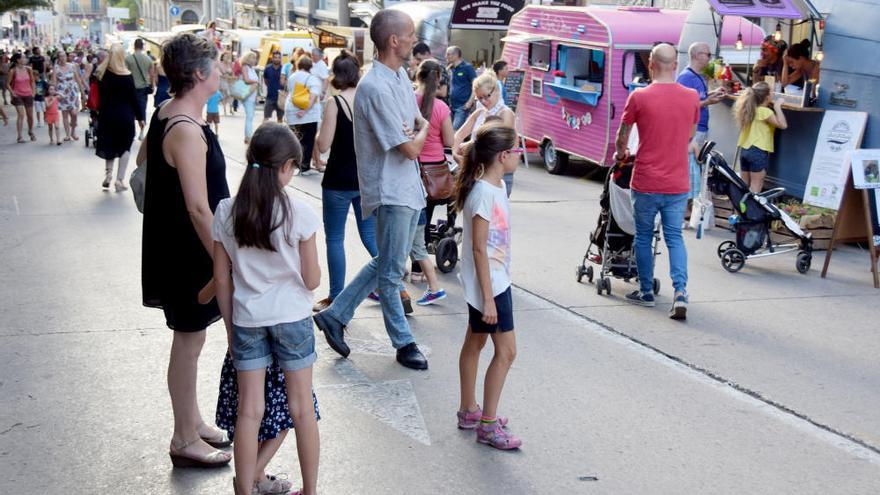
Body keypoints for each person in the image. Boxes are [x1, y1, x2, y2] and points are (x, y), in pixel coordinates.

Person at [312, 9, 432, 370]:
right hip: (391, 189)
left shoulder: (397, 79)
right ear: (394, 40)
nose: (414, 40)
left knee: (387, 261)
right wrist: (421, 131)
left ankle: (335, 315)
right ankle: (403, 341)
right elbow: (411, 143)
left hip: (407, 187)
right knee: (392, 270)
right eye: (410, 34)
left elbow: (416, 124)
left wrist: (418, 129)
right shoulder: (376, 86)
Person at [140, 33, 233, 469]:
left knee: (191, 341)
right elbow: (199, 207)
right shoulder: (185, 130)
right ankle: (182, 438)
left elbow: (144, 164)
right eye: (216, 65)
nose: (223, 70)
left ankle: (192, 421)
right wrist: (220, 256)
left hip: (178, 246)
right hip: (188, 252)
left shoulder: (167, 113)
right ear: (199, 74)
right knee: (189, 343)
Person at [213, 122, 321, 495]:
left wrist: (230, 328)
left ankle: (245, 489)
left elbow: (222, 279)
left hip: (246, 320)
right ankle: (310, 490)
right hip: (291, 319)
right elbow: (311, 281)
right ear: (287, 167)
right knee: (302, 409)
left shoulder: (227, 211)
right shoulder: (300, 213)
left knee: (249, 411)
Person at [613, 43, 699, 320]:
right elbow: (690, 135)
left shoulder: (639, 97)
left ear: (651, 64)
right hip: (677, 181)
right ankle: (681, 291)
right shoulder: (692, 96)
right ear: (675, 65)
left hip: (647, 179)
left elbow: (623, 135)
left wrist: (620, 153)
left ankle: (647, 291)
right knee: (675, 237)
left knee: (643, 236)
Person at [454, 124, 522, 450]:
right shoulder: (483, 193)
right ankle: (488, 424)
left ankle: (469, 410)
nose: (519, 156)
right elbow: (479, 249)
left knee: (476, 342)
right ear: (503, 156)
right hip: (490, 285)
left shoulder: (495, 187)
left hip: (491, 281)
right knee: (507, 352)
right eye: (516, 150)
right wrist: (488, 299)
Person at [311, 51, 378, 312]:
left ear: (336, 75)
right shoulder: (368, 100)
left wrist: (318, 136)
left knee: (335, 239)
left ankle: (336, 296)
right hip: (365, 179)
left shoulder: (335, 103)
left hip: (338, 180)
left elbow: (324, 144)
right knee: (370, 235)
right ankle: (392, 286)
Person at [410, 58, 453, 305]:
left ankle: (413, 268)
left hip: (411, 166)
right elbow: (449, 140)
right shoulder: (441, 108)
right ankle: (419, 270)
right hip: (435, 170)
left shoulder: (407, 101)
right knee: (425, 220)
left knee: (414, 219)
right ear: (438, 80)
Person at [676, 42, 725, 221]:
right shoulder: (686, 77)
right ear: (698, 55)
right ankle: (686, 207)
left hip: (700, 128)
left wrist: (711, 95)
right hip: (693, 129)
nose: (710, 58)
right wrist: (707, 102)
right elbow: (682, 105)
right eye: (707, 54)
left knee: (695, 166)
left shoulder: (696, 77)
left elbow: (697, 99)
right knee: (691, 167)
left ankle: (690, 206)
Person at [453, 72, 516, 196]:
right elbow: (458, 135)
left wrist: (471, 144)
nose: (484, 101)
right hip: (477, 169)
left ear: (497, 90)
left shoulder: (506, 113)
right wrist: (455, 153)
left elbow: (499, 141)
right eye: (479, 98)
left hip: (497, 171)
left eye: (487, 96)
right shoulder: (480, 112)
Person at [95, 43, 144, 192]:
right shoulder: (127, 76)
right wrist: (140, 117)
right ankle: (119, 180)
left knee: (109, 145)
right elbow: (134, 98)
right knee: (125, 147)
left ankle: (108, 175)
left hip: (106, 115)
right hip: (125, 116)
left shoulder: (101, 75)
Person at [733, 81, 788, 192]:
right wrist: (777, 107)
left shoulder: (749, 109)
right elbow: (783, 125)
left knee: (743, 185)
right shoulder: (764, 111)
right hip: (758, 150)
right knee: (755, 187)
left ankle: (739, 208)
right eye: (772, 92)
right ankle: (751, 209)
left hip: (745, 150)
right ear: (767, 97)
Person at [284, 55, 322, 176]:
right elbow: (313, 96)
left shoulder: (292, 77)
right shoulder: (312, 79)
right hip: (308, 115)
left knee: (295, 140)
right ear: (310, 66)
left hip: (291, 111)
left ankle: (294, 166)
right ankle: (304, 167)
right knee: (308, 140)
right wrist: (304, 110)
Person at [125, 39, 156, 140]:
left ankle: (131, 131)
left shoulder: (128, 59)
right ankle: (142, 132)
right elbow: (151, 75)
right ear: (143, 47)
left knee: (130, 110)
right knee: (142, 110)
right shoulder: (148, 59)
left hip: (130, 88)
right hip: (143, 88)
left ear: (134, 46)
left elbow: (125, 73)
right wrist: (152, 86)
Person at [52, 50, 86, 141]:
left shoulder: (72, 66)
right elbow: (54, 81)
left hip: (72, 92)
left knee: (74, 113)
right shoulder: (56, 67)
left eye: (64, 56)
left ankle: (73, 131)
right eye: (60, 56)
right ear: (58, 58)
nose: (63, 58)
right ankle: (67, 135)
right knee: (65, 115)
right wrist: (53, 93)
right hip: (62, 93)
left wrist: (82, 93)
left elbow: (78, 79)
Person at [446, 45, 477, 130]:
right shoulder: (451, 68)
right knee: (449, 131)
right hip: (451, 105)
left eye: (448, 54)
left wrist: (470, 102)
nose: (446, 57)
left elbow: (476, 85)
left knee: (455, 132)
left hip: (462, 106)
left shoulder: (467, 67)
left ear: (456, 55)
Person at [8, 53, 36, 143]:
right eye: (23, 58)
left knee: (30, 116)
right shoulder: (13, 71)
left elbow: (32, 81)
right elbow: (8, 84)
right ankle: (19, 136)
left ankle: (30, 131)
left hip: (28, 94)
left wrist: (33, 92)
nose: (25, 59)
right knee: (21, 115)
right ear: (18, 60)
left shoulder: (29, 69)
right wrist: (12, 93)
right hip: (17, 94)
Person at [239, 51, 260, 144]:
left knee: (250, 116)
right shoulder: (245, 67)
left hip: (252, 95)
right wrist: (256, 82)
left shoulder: (251, 68)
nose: (255, 60)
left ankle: (247, 136)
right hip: (247, 95)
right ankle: (248, 136)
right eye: (253, 58)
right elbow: (246, 80)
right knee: (249, 116)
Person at [262, 50, 284, 123]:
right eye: (275, 57)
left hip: (281, 97)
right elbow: (265, 80)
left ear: (281, 58)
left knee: (280, 119)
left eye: (278, 57)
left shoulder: (283, 69)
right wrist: (270, 86)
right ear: (272, 58)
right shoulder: (267, 68)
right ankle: (264, 133)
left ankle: (279, 134)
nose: (277, 59)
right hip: (270, 97)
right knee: (266, 117)